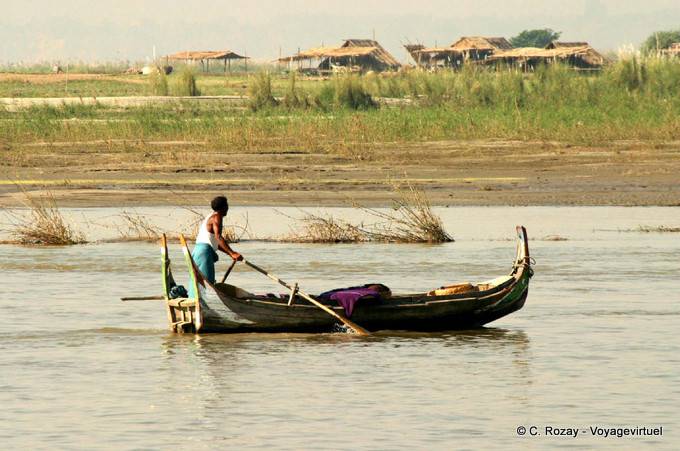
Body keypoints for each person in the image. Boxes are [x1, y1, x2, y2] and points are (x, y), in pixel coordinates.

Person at [192, 195, 243, 285]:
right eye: (227, 205)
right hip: (204, 253)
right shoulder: (217, 217)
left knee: (199, 282)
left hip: (197, 251)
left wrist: (230, 254)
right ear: (223, 207)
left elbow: (215, 243)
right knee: (207, 283)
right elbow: (218, 237)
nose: (228, 208)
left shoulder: (210, 216)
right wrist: (232, 253)